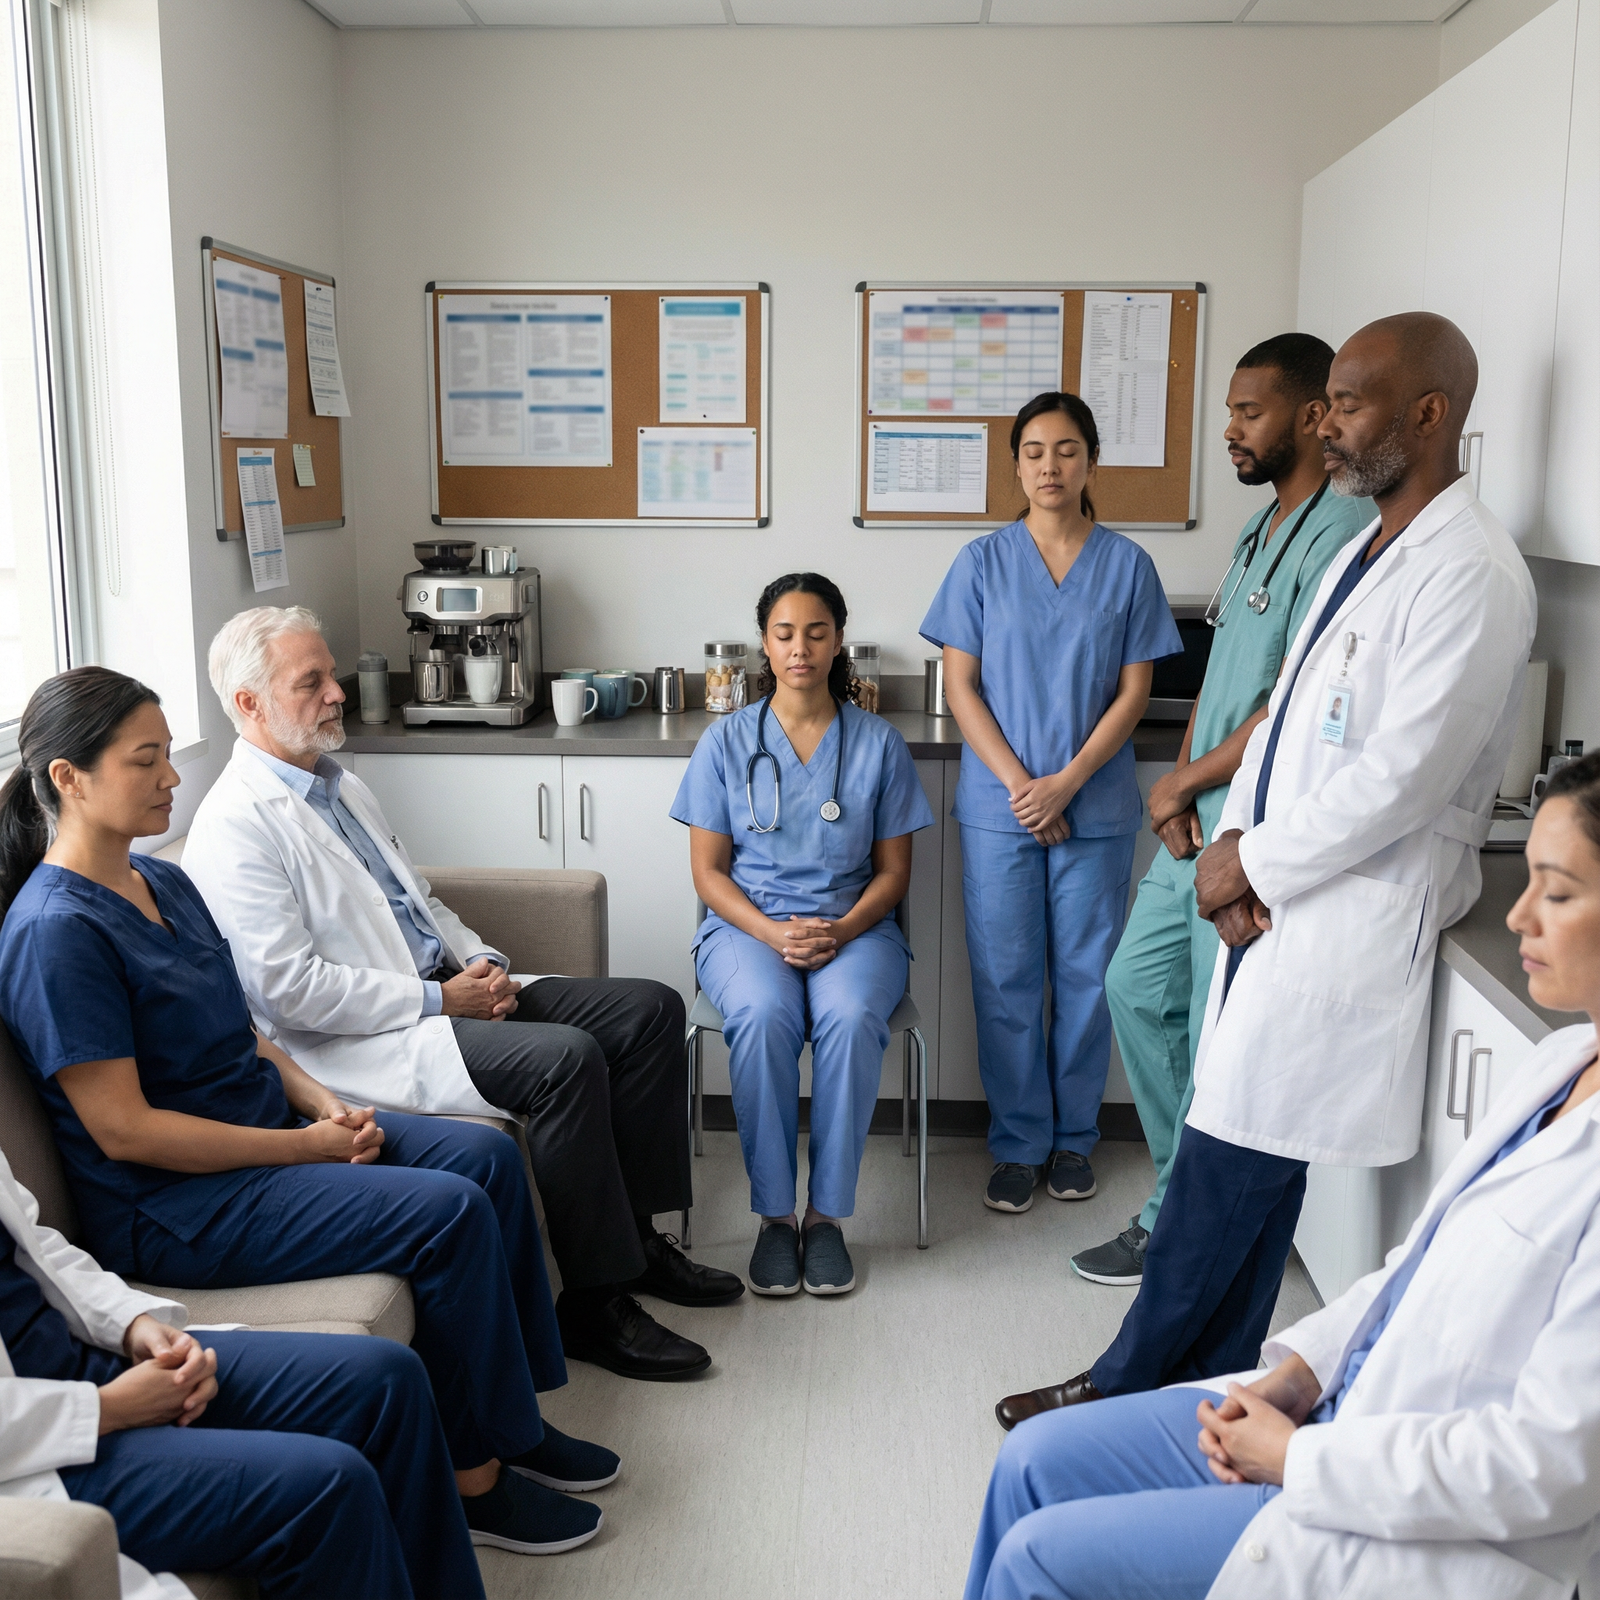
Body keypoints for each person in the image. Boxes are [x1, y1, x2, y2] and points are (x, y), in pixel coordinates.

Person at [996, 312, 1537, 1426]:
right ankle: (1200, 1394)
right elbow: (1285, 723)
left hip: (1343, 910)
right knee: (1239, 1157)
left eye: (1349, 403)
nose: (1325, 425)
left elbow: (1403, 774)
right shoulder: (1361, 547)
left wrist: (1250, 861)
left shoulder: (1471, 571)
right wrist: (1238, 856)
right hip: (1284, 897)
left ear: (1427, 415)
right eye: (1327, 401)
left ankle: (1125, 1386)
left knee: (1228, 1160)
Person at [0, 667, 618, 1558]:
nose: (173, 778)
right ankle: (477, 1480)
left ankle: (510, 1425)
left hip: (269, 1134)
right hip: (172, 1208)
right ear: (68, 778)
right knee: (444, 1213)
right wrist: (309, 1152)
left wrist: (325, 1102)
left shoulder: (160, 884)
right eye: (147, 761)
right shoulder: (57, 932)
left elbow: (242, 1033)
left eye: (170, 755)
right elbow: (125, 1131)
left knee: (481, 1162)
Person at [965, 751, 1600, 1600]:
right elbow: (1413, 1271)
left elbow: (1548, 1467)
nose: (1516, 915)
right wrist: (1297, 1373)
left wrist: (1298, 1456)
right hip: (1336, 1404)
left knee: (1037, 1561)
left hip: (1404, 1515)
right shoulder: (1563, 1060)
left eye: (1556, 893)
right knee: (1033, 1462)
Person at [181, 608, 742, 1384]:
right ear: (249, 705)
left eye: (330, 675)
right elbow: (289, 992)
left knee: (649, 1010)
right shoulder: (235, 827)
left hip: (443, 992)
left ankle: (637, 1242)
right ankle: (595, 1303)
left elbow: (421, 900)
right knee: (565, 1062)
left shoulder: (338, 785)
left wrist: (482, 963)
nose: (336, 695)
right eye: (309, 684)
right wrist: (446, 1004)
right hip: (366, 1039)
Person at [1074, 335, 1374, 1288]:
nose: (1232, 432)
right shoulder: (1256, 531)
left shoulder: (1341, 536)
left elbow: (1291, 697)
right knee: (1134, 985)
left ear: (1314, 415)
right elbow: (1216, 679)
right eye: (1231, 414)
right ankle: (1181, 1199)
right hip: (1197, 810)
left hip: (1251, 833)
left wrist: (1185, 781)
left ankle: (1183, 1229)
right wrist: (1175, 778)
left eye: (1249, 412)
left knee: (1212, 1023)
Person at [0, 1139, 486, 1599]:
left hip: (88, 1358)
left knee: (385, 1379)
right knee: (327, 1489)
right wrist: (109, 1409)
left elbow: (39, 1245)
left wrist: (135, 1326)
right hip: (37, 1450)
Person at [920, 392, 1182, 1215]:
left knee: (1087, 978)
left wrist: (1065, 782)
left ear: (1092, 463)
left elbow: (1136, 692)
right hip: (1001, 810)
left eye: (1067, 451)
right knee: (1004, 978)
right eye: (1033, 452)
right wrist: (1021, 787)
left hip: (1094, 804)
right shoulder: (980, 563)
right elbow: (959, 685)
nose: (1049, 466)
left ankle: (1073, 1142)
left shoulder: (1128, 566)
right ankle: (1017, 1143)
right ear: (1016, 465)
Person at [670, 573, 934, 1296]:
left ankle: (825, 1219)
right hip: (747, 926)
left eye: (816, 632)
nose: (800, 648)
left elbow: (893, 875)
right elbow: (709, 873)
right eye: (785, 633)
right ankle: (773, 1219)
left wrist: (843, 928)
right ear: (764, 642)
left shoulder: (878, 743)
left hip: (858, 925)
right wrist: (773, 933)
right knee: (760, 1013)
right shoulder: (726, 741)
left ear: (838, 639)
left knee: (850, 1016)